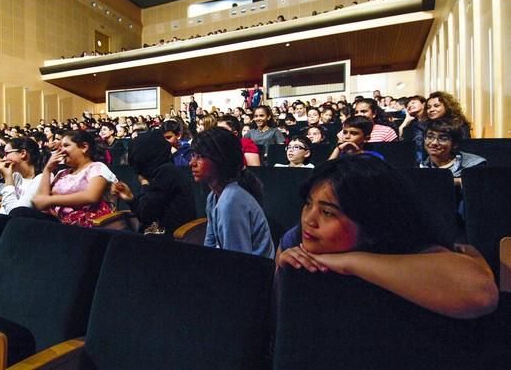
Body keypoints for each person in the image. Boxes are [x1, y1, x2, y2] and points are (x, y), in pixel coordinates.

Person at [276, 155, 498, 319]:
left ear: (372, 224)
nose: (309, 220)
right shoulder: (298, 240)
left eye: (328, 212)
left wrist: (348, 262)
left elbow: (480, 294)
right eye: (308, 204)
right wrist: (285, 274)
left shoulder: (412, 248)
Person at [190, 128, 274, 258]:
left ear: (221, 160)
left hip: (256, 273)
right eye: (193, 155)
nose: (192, 163)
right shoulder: (213, 197)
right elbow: (210, 244)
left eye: (200, 156)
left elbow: (237, 260)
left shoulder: (231, 200)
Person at [112, 131, 196, 236]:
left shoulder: (166, 173)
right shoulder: (162, 171)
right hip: (158, 238)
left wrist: (144, 185)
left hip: (172, 241)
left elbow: (146, 214)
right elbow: (148, 209)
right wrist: (131, 199)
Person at [29, 130, 117, 227]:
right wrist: (47, 169)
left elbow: (91, 196)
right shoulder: (62, 173)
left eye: (66, 146)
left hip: (88, 225)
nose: (61, 151)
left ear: (84, 147)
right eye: (60, 147)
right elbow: (40, 201)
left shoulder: (97, 167)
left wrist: (51, 200)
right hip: (59, 222)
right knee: (21, 213)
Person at [420, 119, 485, 186]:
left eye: (443, 138)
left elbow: (478, 186)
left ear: (455, 144)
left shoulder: (473, 164)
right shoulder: (421, 166)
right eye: (430, 137)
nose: (434, 143)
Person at [0, 137, 45, 215]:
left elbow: (15, 213)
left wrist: (8, 178)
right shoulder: (16, 175)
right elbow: (4, 208)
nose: (3, 159)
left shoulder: (41, 179)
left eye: (6, 153)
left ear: (23, 153)